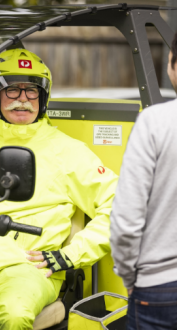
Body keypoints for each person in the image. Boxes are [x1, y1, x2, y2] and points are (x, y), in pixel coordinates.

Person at [0, 48, 118, 330]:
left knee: (14, 314)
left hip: (28, 269)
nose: (23, 100)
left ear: (43, 98)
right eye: (13, 90)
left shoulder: (68, 151)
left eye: (32, 91)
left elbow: (121, 204)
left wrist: (70, 255)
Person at [110, 29, 177, 330]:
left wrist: (128, 278)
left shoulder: (156, 121)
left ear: (176, 63)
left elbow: (126, 221)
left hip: (160, 286)